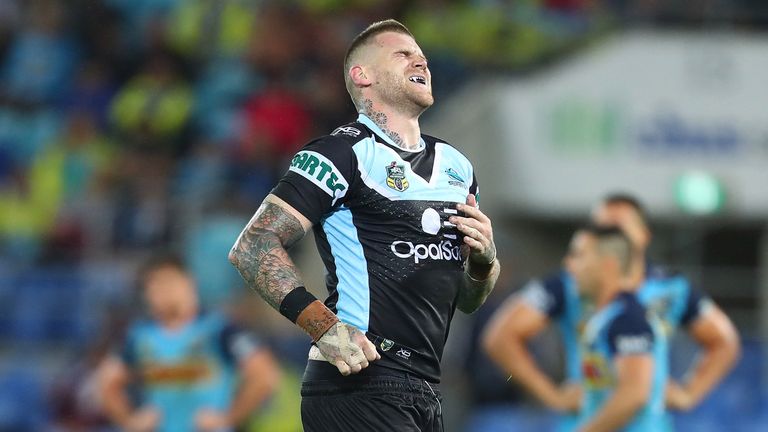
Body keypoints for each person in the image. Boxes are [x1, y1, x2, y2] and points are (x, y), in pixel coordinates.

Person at [228, 19, 500, 432]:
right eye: (403, 54)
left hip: (424, 387)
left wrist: (483, 263)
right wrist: (324, 328)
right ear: (362, 75)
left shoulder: (458, 167)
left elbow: (465, 300)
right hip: (359, 381)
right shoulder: (342, 152)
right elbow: (253, 245)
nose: (420, 60)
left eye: (422, 56)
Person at [482, 193, 740, 431]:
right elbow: (500, 336)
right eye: (599, 227)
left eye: (615, 228)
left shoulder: (658, 296)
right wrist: (553, 396)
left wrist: (688, 394)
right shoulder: (569, 287)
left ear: (642, 235)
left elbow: (724, 341)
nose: (570, 263)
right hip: (586, 416)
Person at [97, 254, 280, 432]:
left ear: (189, 282)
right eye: (153, 285)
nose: (162, 291)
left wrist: (228, 418)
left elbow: (264, 375)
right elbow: (107, 383)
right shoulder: (139, 336)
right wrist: (131, 422)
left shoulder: (218, 330)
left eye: (169, 282)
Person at [565, 225, 665, 431]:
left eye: (580, 256)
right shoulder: (607, 318)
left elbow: (634, 394)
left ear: (608, 265)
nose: (569, 265)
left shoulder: (628, 319)